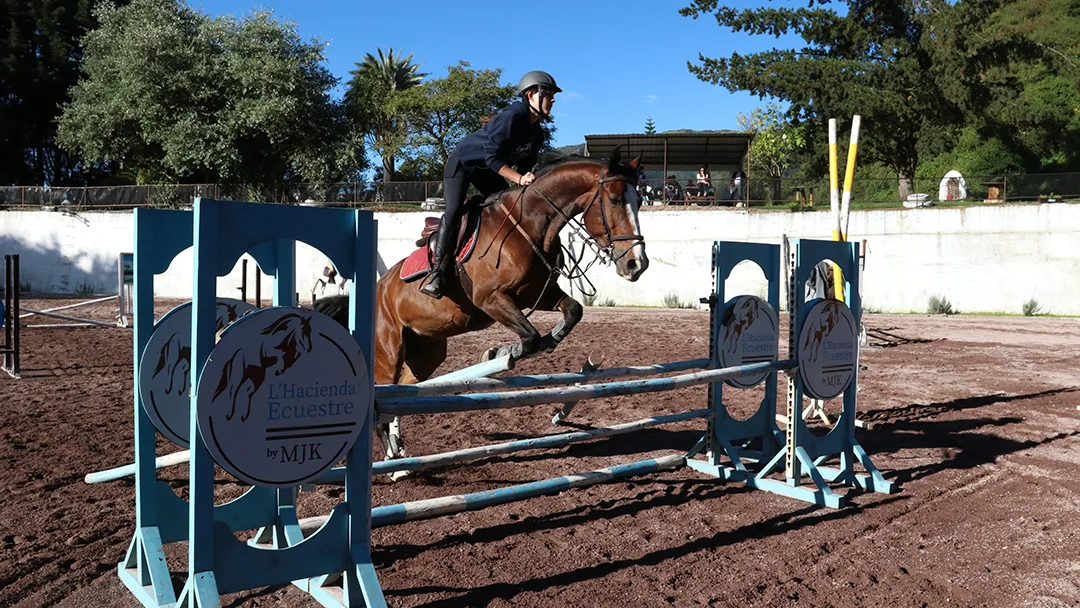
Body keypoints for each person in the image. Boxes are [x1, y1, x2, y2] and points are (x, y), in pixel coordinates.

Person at [421, 70, 560, 299]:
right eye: (548, 93)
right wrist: (518, 179)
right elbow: (493, 158)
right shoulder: (514, 114)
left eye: (553, 95)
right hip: (462, 164)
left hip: (486, 170)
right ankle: (436, 274)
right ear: (530, 95)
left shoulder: (537, 134)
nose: (553, 99)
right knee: (454, 210)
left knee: (507, 208)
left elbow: (525, 169)